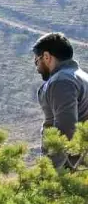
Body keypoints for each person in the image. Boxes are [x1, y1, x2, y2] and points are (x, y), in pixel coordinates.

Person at [33, 31, 88, 170]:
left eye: (36, 60)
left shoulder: (61, 81)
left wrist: (50, 173)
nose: (37, 67)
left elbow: (65, 129)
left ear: (46, 57)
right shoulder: (82, 77)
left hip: (73, 167)